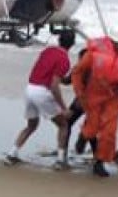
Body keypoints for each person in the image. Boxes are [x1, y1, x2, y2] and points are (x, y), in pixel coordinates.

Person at [71, 29, 118, 177]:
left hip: (113, 95)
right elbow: (77, 72)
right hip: (93, 93)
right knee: (92, 128)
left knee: (109, 131)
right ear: (111, 40)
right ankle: (83, 136)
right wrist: (80, 94)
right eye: (117, 42)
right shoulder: (94, 53)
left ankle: (100, 162)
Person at [5, 31, 76, 169]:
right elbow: (54, 86)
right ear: (72, 44)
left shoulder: (47, 51)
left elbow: (47, 73)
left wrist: (66, 79)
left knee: (31, 125)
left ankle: (12, 153)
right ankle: (60, 161)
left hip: (30, 88)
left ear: (59, 40)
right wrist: (64, 108)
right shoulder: (65, 59)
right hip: (42, 92)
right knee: (63, 124)